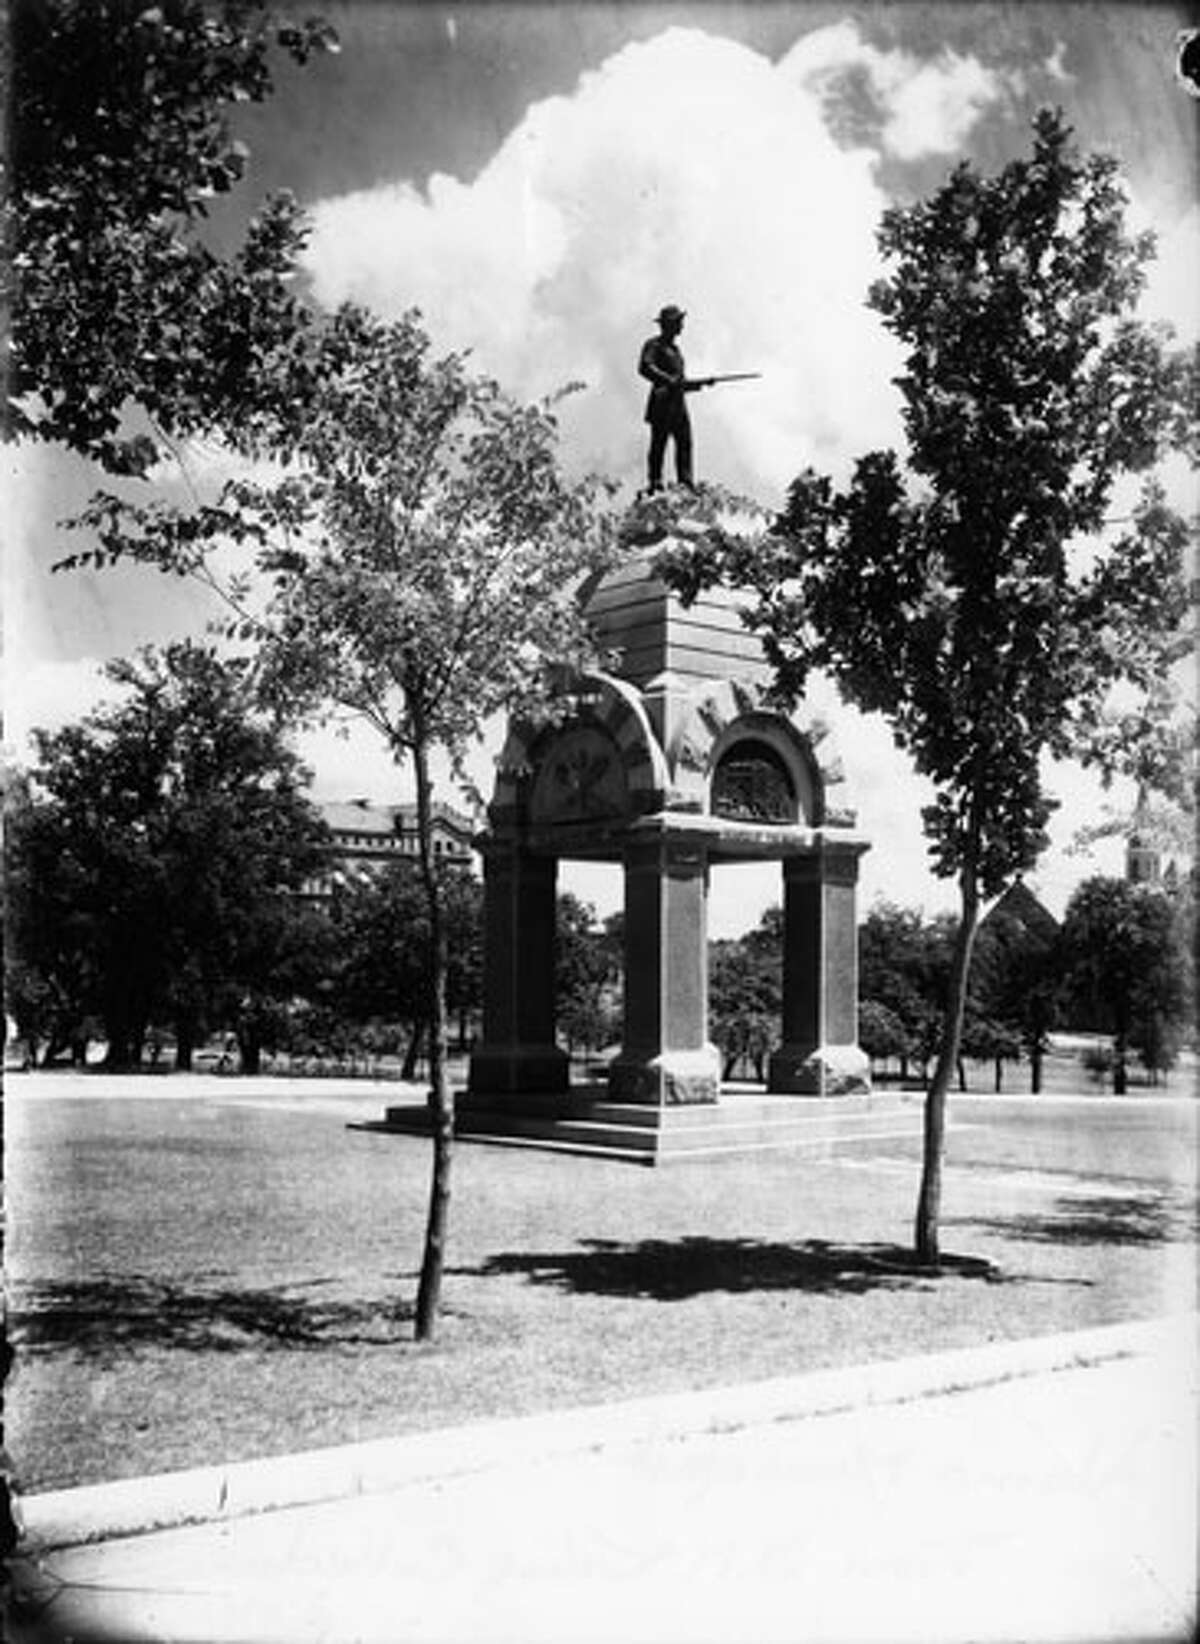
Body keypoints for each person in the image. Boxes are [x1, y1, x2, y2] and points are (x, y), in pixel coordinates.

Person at [638, 304, 708, 492]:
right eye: (678, 322)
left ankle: (685, 482)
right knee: (659, 443)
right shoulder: (654, 345)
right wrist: (669, 380)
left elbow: (680, 382)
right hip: (662, 402)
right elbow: (645, 367)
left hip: (678, 404)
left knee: (685, 442)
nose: (682, 326)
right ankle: (655, 481)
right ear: (669, 324)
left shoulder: (676, 351)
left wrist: (696, 385)